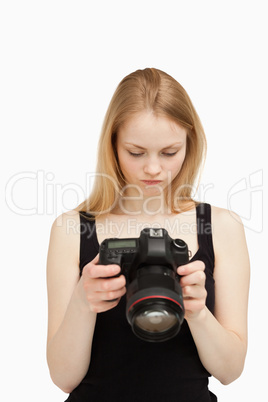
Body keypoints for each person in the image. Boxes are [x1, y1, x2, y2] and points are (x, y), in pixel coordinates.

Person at [46, 68, 250, 402]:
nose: (153, 168)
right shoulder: (72, 229)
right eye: (136, 153)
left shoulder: (222, 227)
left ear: (190, 144)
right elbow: (64, 378)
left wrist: (197, 311)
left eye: (169, 152)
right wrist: (83, 302)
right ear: (112, 145)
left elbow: (230, 372)